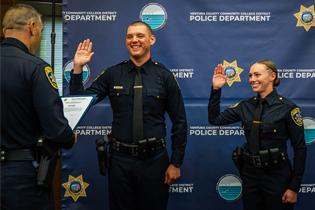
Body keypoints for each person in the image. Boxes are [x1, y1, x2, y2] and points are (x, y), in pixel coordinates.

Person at [69, 20, 187, 210]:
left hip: (155, 161)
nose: (134, 40)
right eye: (130, 36)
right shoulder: (113, 74)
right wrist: (77, 68)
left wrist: (176, 163)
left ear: (152, 39)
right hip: (120, 162)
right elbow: (78, 103)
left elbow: (180, 122)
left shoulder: (164, 76)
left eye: (140, 36)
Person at [1, 4, 76, 210]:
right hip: (20, 175)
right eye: (42, 32)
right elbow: (56, 129)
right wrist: (68, 137)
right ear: (32, 27)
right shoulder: (36, 68)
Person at [208, 60, 306, 210]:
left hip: (277, 176)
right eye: (250, 75)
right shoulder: (245, 106)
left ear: (272, 76)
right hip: (250, 176)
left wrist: (294, 187)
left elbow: (300, 149)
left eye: (257, 74)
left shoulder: (288, 108)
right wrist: (216, 90)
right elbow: (214, 120)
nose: (252, 79)